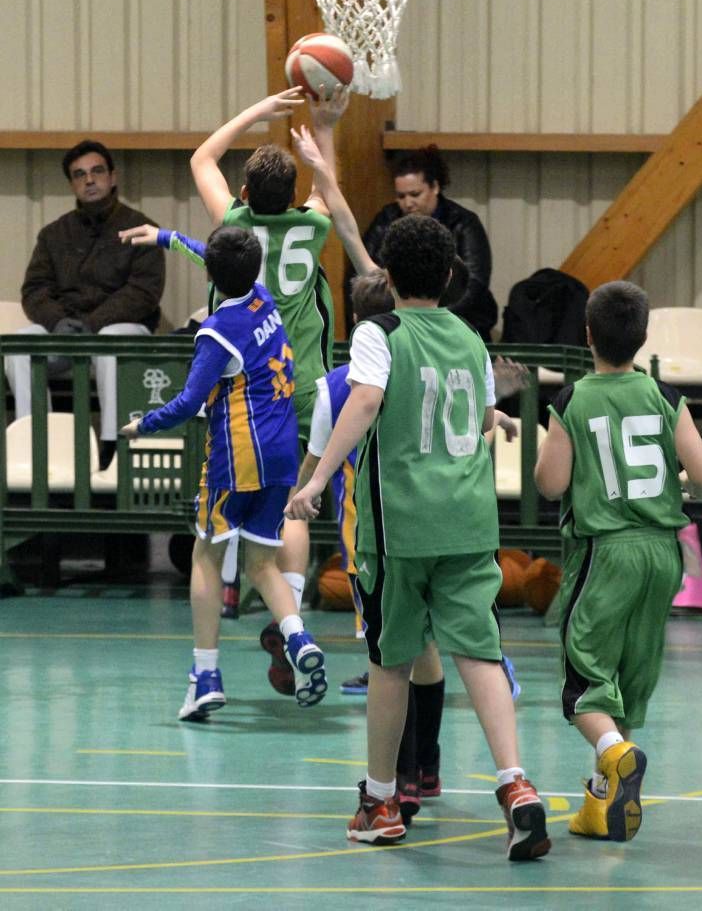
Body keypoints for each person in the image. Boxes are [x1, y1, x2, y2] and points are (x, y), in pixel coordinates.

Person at [285, 214, 550, 859]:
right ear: (453, 275)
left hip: (400, 527)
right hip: (468, 522)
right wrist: (500, 418)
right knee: (479, 654)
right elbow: (473, 412)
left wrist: (315, 480)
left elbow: (368, 399)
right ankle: (516, 784)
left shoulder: (381, 333)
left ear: (388, 275)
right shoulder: (468, 334)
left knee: (391, 660)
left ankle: (379, 801)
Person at [534, 280, 702, 843]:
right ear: (642, 338)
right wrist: (673, 482)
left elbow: (549, 484)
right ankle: (602, 804)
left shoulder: (574, 399)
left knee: (584, 681)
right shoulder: (664, 396)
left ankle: (614, 753)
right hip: (664, 556)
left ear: (588, 335)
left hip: (605, 554)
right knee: (628, 678)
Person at [120, 226, 327, 717]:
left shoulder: (216, 332)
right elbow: (211, 255)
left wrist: (141, 425)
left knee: (206, 557)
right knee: (261, 564)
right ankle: (296, 636)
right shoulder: (265, 298)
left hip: (235, 460)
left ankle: (206, 674)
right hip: (282, 458)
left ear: (211, 275)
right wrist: (169, 238)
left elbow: (189, 401)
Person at [7, 140, 165, 468]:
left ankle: (111, 447)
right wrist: (58, 323)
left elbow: (144, 292)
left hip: (121, 329)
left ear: (112, 177)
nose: (89, 180)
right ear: (72, 184)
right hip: (65, 330)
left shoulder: (141, 228)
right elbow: (35, 289)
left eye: (96, 172)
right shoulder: (53, 234)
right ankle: (35, 443)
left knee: (110, 343)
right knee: (20, 347)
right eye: (79, 175)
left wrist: (93, 325)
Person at [360, 145, 498, 340]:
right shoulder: (386, 220)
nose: (408, 203)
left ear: (435, 187)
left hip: (457, 325)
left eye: (415, 194)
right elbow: (364, 275)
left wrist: (431, 318)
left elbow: (474, 285)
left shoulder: (464, 224)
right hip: (397, 324)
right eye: (401, 196)